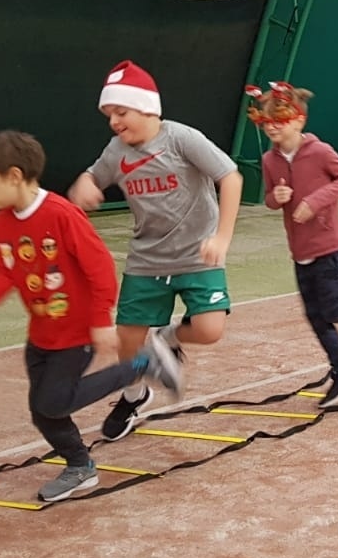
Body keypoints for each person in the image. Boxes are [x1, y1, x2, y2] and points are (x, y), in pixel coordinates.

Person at [0, 130, 183, 503]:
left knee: (54, 402)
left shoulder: (62, 215)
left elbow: (100, 271)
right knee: (44, 412)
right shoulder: (3, 222)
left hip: (76, 332)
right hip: (42, 334)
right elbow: (9, 270)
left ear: (14, 176)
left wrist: (99, 320)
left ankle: (140, 365)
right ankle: (80, 467)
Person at [68, 60, 242, 441]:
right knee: (127, 339)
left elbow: (230, 176)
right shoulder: (116, 151)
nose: (113, 120)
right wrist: (83, 185)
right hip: (147, 261)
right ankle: (134, 395)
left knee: (210, 330)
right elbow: (93, 175)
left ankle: (168, 340)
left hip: (198, 256)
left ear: (147, 107)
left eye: (121, 111)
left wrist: (222, 238)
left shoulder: (181, 138)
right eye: (108, 114)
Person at [248, 80, 338, 409]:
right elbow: (269, 199)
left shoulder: (320, 152)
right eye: (267, 123)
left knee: (334, 309)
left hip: (331, 247)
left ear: (299, 120)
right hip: (300, 251)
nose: (273, 128)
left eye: (280, 120)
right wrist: (276, 199)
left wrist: (315, 201)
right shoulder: (269, 160)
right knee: (315, 316)